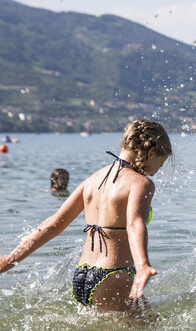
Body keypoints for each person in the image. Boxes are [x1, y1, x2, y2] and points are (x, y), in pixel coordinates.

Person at [0, 119, 171, 313]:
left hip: (82, 275)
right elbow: (134, 223)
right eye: (161, 162)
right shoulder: (141, 183)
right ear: (151, 153)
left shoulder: (93, 180)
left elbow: (54, 224)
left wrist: (9, 259)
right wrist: (143, 265)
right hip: (113, 274)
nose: (159, 169)